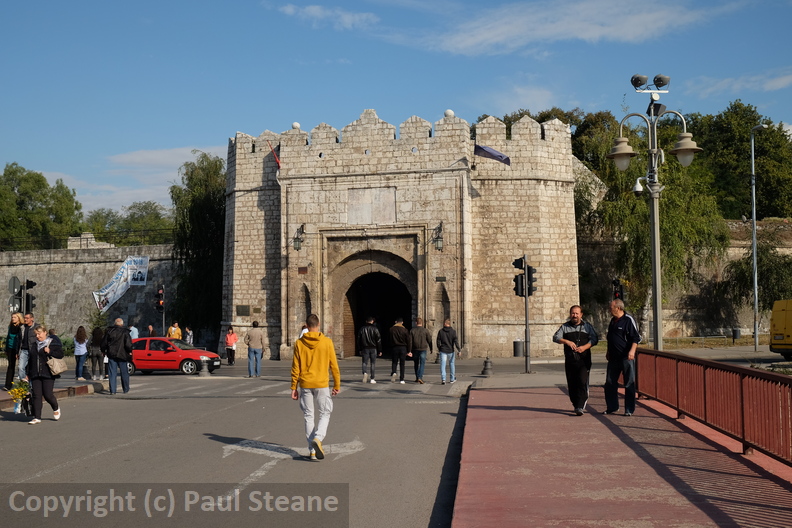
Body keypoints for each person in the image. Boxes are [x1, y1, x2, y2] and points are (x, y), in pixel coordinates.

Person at [290, 314, 340, 461]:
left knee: (308, 415)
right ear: (318, 325)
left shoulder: (299, 343)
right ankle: (318, 438)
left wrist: (294, 387)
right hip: (322, 384)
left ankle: (312, 450)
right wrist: (336, 384)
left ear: (306, 325)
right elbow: (334, 366)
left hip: (305, 384)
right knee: (325, 412)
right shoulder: (327, 342)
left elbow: (295, 367)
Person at [553, 305, 599, 416]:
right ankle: (575, 404)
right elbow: (555, 337)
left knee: (582, 382)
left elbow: (595, 339)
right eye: (573, 313)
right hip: (570, 360)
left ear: (581, 315)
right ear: (570, 314)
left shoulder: (587, 327)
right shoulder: (565, 327)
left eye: (577, 313)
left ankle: (580, 406)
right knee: (572, 383)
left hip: (584, 360)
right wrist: (566, 342)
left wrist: (585, 347)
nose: (575, 315)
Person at [603, 299, 641, 416]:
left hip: (626, 357)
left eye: (611, 308)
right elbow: (611, 338)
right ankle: (612, 407)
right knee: (610, 383)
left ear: (618, 308)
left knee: (629, 383)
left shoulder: (628, 320)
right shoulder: (612, 321)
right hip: (613, 358)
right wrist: (608, 351)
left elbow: (636, 337)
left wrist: (632, 351)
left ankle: (629, 409)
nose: (609, 310)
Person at [27, 324, 63, 424]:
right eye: (36, 335)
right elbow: (31, 359)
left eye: (39, 334)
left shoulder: (52, 343)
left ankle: (56, 408)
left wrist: (50, 351)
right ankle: (37, 417)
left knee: (48, 395)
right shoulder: (34, 345)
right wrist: (27, 373)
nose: (37, 336)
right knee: (36, 395)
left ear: (45, 332)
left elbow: (60, 354)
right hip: (35, 373)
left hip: (48, 373)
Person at [101, 318, 133, 395]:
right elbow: (128, 343)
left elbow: (104, 342)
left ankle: (113, 390)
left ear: (115, 323)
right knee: (124, 372)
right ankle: (125, 388)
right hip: (122, 354)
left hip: (112, 354)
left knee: (112, 373)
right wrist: (130, 351)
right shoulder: (125, 332)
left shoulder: (109, 331)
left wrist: (103, 351)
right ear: (122, 324)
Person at [357, 316, 381, 384]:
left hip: (365, 348)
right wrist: (380, 350)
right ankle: (372, 378)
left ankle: (364, 372)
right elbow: (378, 340)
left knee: (364, 362)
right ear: (372, 321)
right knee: (372, 363)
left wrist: (360, 349)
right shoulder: (375, 329)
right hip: (373, 348)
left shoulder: (362, 329)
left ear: (366, 321)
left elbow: (359, 340)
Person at [437, 319, 461, 385]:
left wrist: (440, 348)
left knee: (443, 365)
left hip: (443, 350)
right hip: (450, 350)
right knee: (452, 364)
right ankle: (452, 379)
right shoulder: (453, 332)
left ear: (445, 324)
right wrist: (459, 350)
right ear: (449, 324)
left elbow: (438, 341)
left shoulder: (441, 331)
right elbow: (456, 341)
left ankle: (443, 379)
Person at [3, 312, 23, 391]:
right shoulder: (10, 327)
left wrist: (18, 351)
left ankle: (22, 385)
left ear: (19, 318)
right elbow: (8, 338)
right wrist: (6, 348)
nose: (13, 319)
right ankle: (8, 385)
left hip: (18, 348)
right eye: (12, 317)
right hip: (10, 348)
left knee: (21, 367)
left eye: (14, 317)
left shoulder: (21, 327)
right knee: (11, 366)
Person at [409, 317, 433, 384]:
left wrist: (409, 350)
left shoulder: (412, 331)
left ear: (416, 323)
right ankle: (420, 377)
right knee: (422, 363)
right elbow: (429, 340)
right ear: (422, 323)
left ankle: (417, 377)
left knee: (416, 363)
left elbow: (410, 342)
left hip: (415, 349)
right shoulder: (425, 330)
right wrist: (431, 348)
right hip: (423, 348)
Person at [389, 317, 411, 384]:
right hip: (403, 348)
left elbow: (389, 339)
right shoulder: (405, 330)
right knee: (402, 364)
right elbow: (408, 341)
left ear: (396, 322)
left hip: (395, 347)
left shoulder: (391, 329)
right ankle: (402, 379)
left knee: (394, 362)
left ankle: (394, 372)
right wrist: (409, 350)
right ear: (402, 322)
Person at [19, 312, 36, 382]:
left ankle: (31, 386)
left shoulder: (36, 327)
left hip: (33, 350)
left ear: (32, 319)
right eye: (24, 318)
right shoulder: (22, 327)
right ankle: (23, 383)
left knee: (32, 368)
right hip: (24, 350)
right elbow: (19, 340)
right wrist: (18, 352)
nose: (25, 320)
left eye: (27, 318)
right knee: (21, 367)